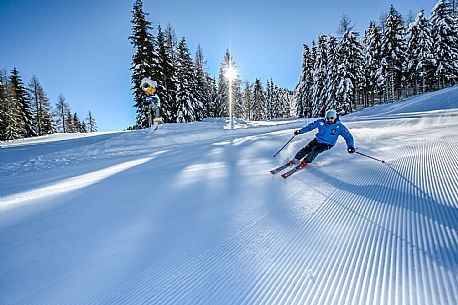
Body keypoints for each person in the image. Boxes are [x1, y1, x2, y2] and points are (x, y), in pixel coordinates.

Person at [290, 109, 355, 167]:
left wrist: (350, 146)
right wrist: (300, 131)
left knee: (314, 150)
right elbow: (309, 127)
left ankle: (305, 161)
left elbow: (348, 136)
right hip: (317, 140)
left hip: (327, 144)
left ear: (335, 118)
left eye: (331, 118)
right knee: (307, 148)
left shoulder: (339, 127)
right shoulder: (321, 122)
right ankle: (296, 158)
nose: (329, 120)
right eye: (328, 118)